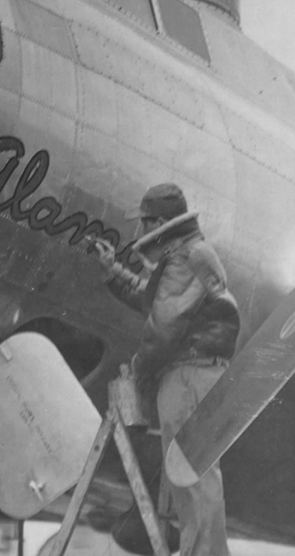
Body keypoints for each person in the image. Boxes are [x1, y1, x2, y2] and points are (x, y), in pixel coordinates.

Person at [96, 182, 240, 556]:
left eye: (143, 223)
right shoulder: (190, 256)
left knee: (192, 478)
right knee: (191, 477)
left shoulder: (185, 259)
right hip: (195, 374)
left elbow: (163, 327)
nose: (139, 232)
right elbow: (161, 303)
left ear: (158, 222)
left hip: (189, 377)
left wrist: (139, 371)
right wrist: (115, 273)